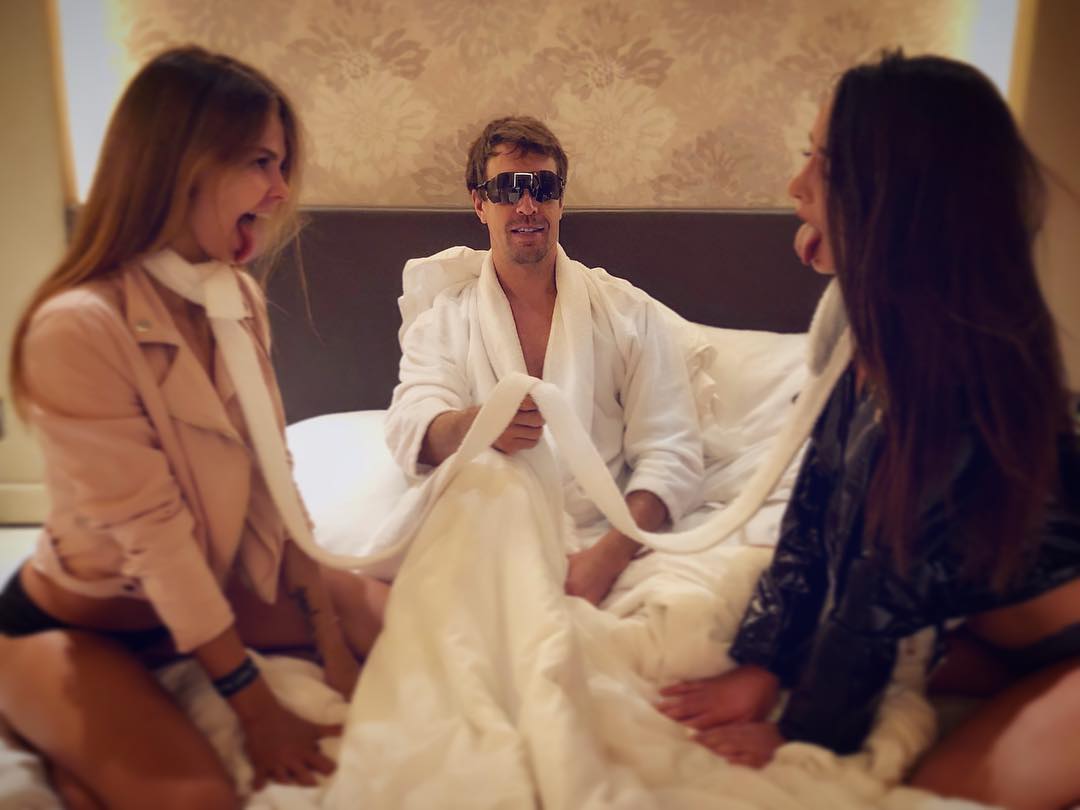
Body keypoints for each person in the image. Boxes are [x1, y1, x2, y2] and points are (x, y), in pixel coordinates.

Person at [655, 52, 1080, 810]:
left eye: (825, 165)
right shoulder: (868, 344)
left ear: (903, 202)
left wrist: (804, 739)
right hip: (989, 631)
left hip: (1064, 646)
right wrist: (765, 665)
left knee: (930, 797)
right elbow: (816, 514)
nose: (796, 186)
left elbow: (878, 591)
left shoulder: (953, 384)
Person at [0, 47, 388, 810]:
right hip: (80, 626)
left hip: (205, 596)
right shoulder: (77, 328)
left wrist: (332, 641)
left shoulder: (231, 299)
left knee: (407, 619)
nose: (280, 192)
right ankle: (44, 725)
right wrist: (257, 709)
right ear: (182, 163)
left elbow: (273, 479)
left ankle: (85, 764)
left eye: (282, 166)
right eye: (261, 162)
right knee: (199, 798)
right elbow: (158, 540)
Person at [385, 116, 704, 607]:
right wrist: (479, 426)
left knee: (690, 614)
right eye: (508, 189)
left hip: (605, 540)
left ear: (561, 201)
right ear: (479, 204)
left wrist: (606, 559)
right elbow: (411, 425)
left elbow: (671, 451)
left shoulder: (627, 313)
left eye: (544, 188)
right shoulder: (446, 319)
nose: (528, 206)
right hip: (489, 538)